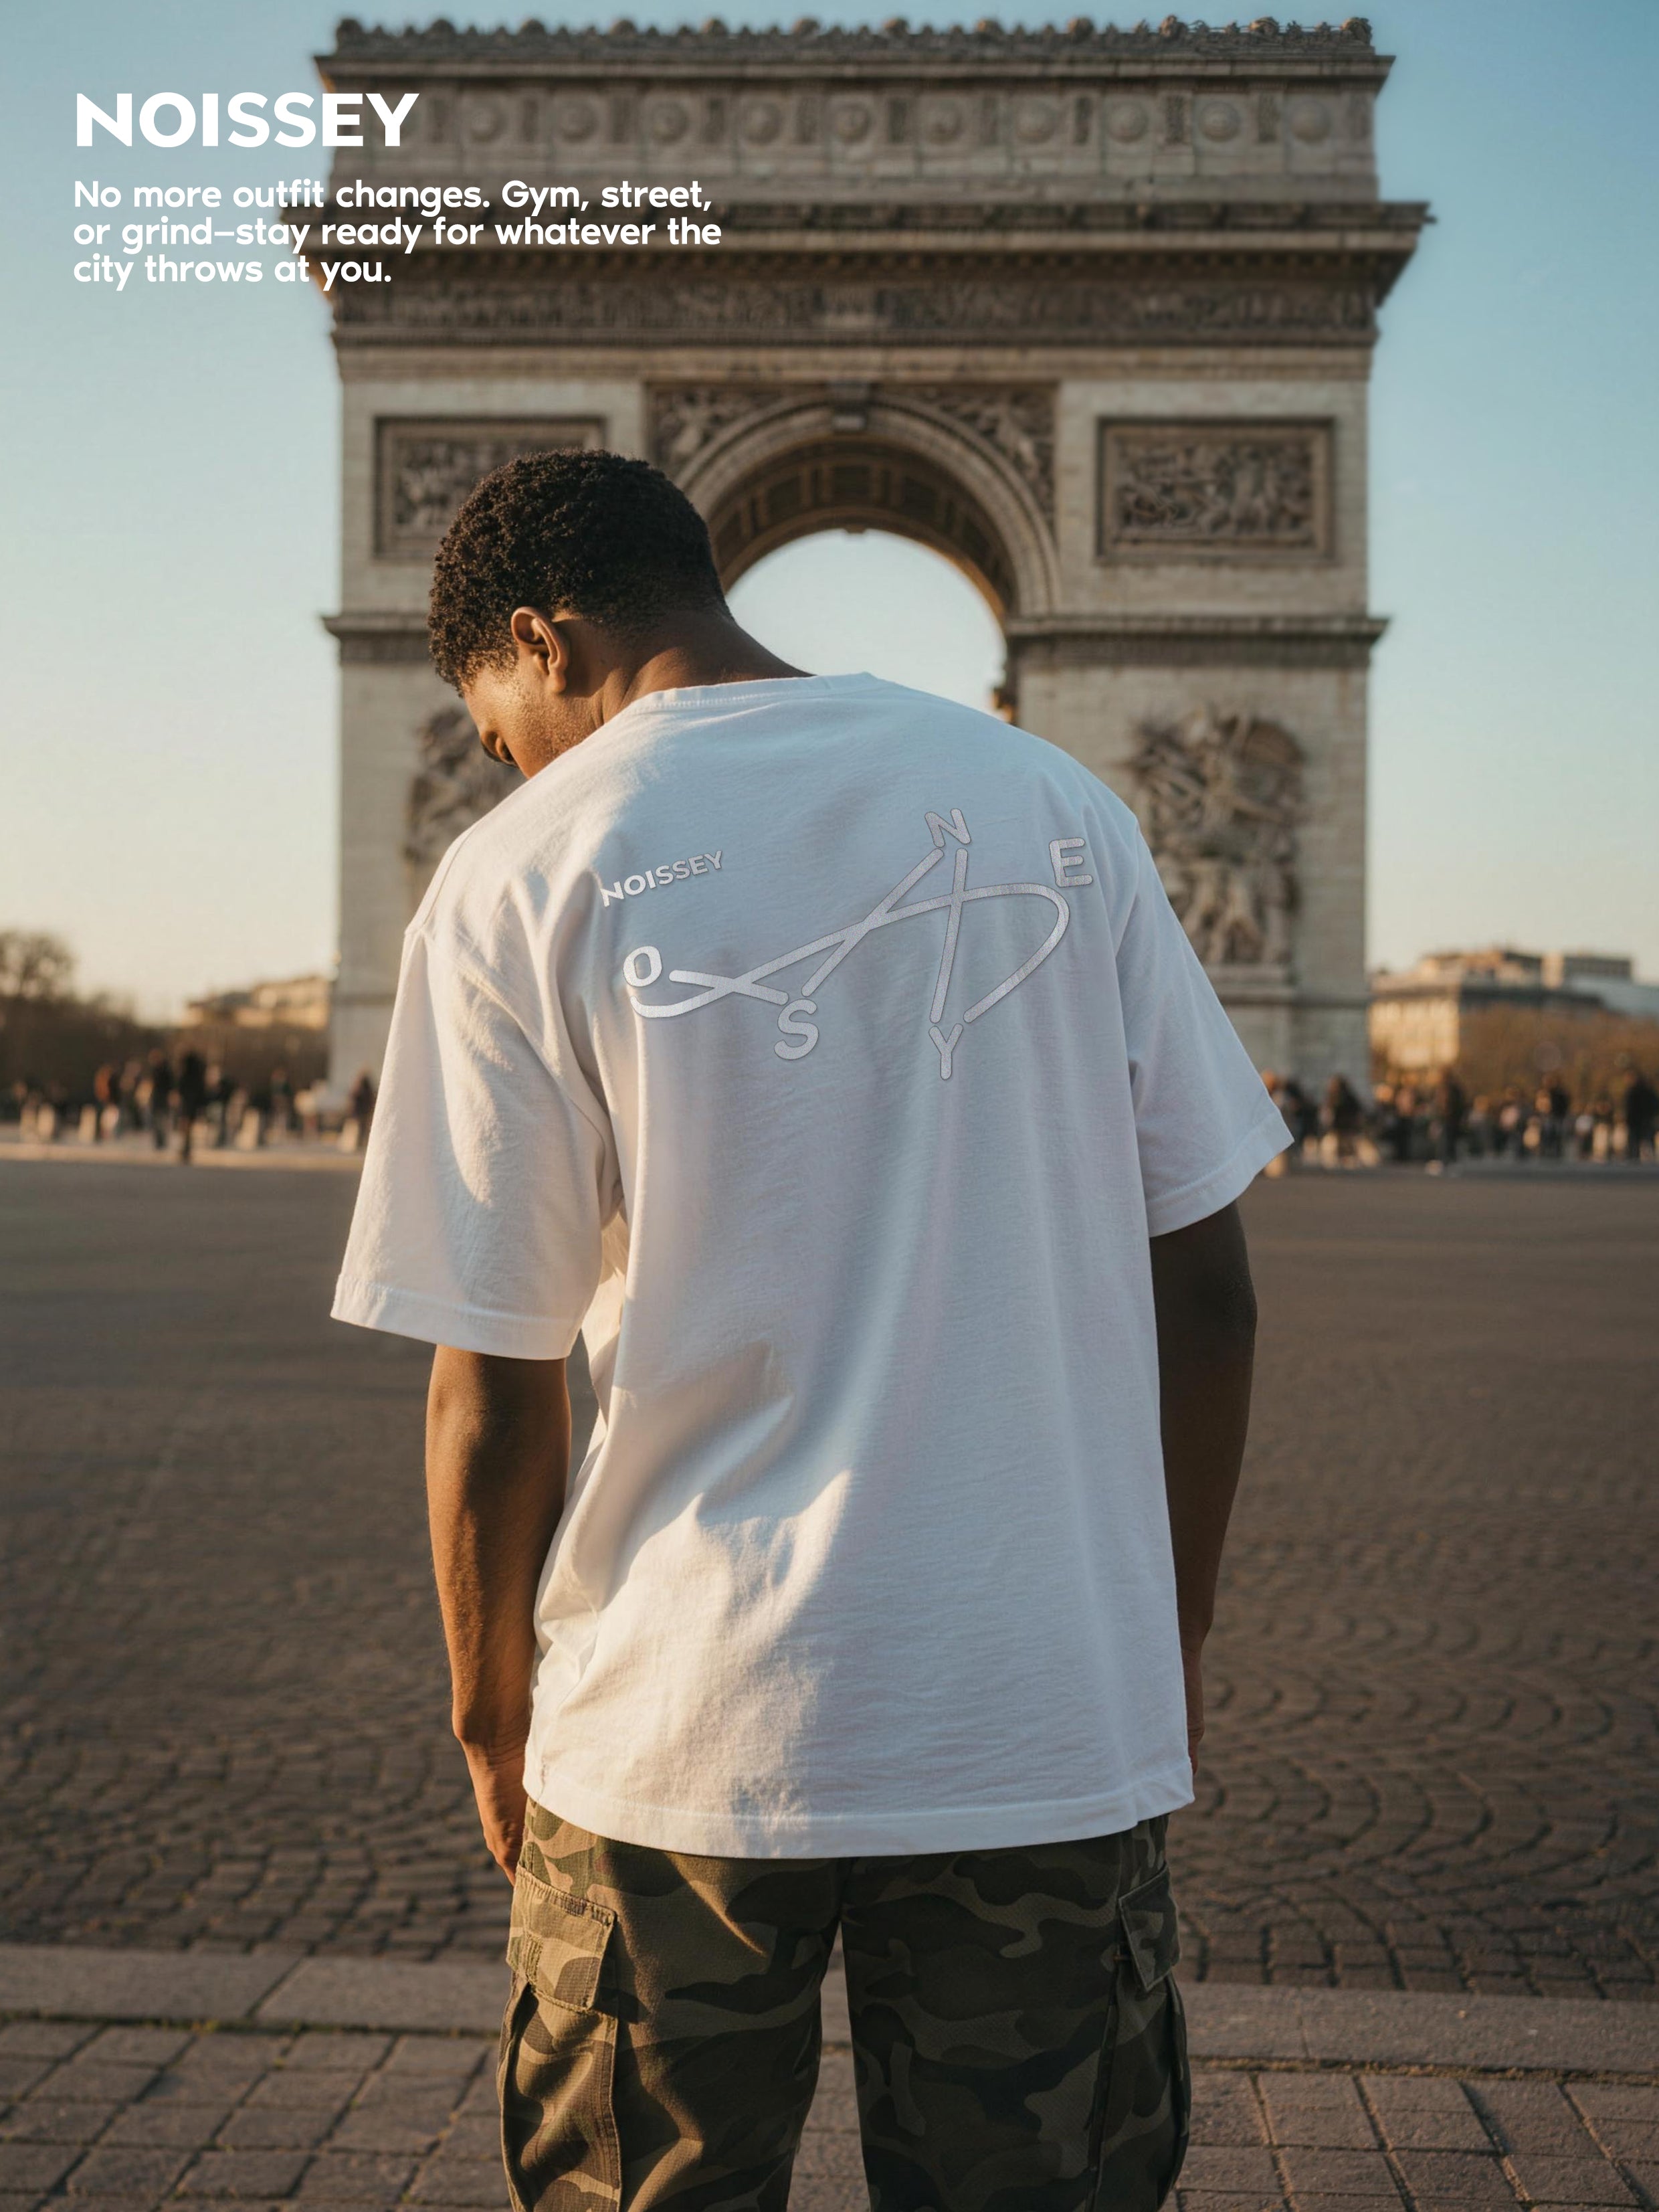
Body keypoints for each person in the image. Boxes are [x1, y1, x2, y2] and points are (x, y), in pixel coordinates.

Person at [332, 451, 1288, 2212]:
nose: (500, 761)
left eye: (492, 720)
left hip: (670, 1729)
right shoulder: (1062, 805)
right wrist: (1164, 1624)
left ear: (543, 638)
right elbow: (1213, 1288)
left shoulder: (519, 868)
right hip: (1036, 1708)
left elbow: (492, 1386)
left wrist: (489, 1707)